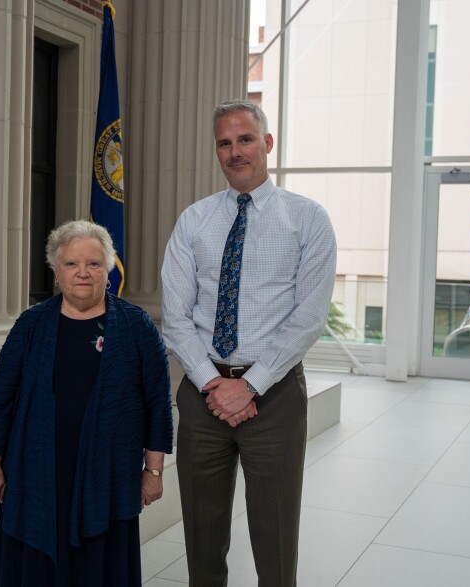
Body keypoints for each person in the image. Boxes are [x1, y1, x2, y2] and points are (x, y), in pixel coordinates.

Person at [161, 99, 337, 586]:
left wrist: (251, 385)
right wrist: (213, 384)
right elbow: (175, 316)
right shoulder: (194, 221)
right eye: (224, 142)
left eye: (245, 139)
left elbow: (308, 316)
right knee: (201, 537)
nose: (235, 151)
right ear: (216, 150)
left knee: (276, 537)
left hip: (275, 396)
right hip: (202, 397)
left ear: (268, 144)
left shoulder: (308, 219)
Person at [0, 220, 173, 586]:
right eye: (71, 264)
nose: (82, 273)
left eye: (94, 264)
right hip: (34, 473)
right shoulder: (30, 324)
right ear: (56, 272)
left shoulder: (136, 326)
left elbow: (157, 404)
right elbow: (1, 400)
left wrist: (153, 471)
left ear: (109, 269)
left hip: (109, 473)